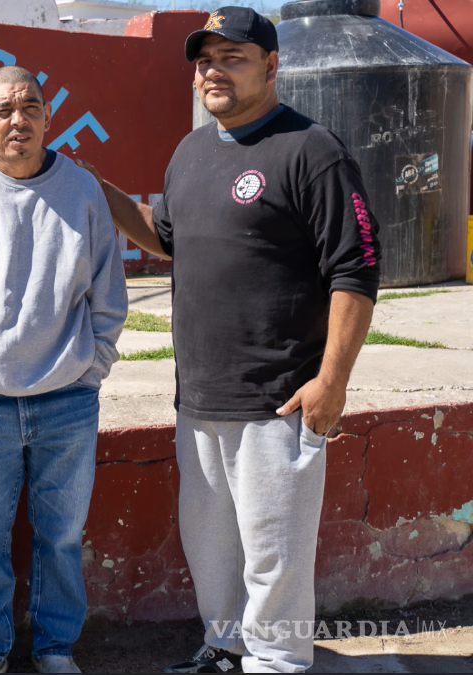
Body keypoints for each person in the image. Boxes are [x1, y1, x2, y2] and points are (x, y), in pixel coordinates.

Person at [78, 7, 381, 672]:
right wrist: (89, 186)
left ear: (272, 67)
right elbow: (165, 239)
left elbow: (355, 271)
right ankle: (225, 649)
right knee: (212, 549)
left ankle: (277, 663)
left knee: (274, 559)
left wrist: (331, 381)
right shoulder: (191, 152)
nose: (213, 71)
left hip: (280, 401)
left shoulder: (312, 150)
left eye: (232, 57)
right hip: (199, 401)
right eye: (204, 60)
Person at [0, 66, 127, 674]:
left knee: (61, 537)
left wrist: (93, 368)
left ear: (48, 117)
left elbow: (107, 291)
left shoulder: (83, 190)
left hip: (67, 397)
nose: (19, 120)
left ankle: (55, 646)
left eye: (30, 107)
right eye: (4, 110)